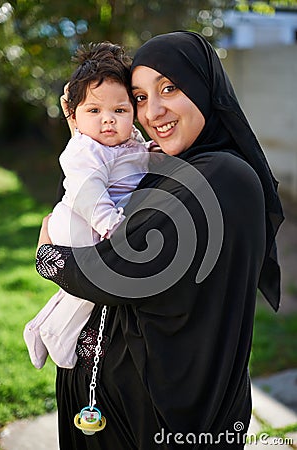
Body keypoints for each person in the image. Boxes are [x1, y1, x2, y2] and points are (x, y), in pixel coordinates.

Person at [35, 31, 284, 449]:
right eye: (140, 97)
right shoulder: (175, 167)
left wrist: (49, 257)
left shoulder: (220, 175)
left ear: (204, 87)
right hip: (119, 402)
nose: (154, 110)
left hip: (159, 417)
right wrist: (84, 123)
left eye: (169, 87)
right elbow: (99, 177)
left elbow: (116, 270)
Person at [24, 42, 150, 369]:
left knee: (86, 290)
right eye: (94, 111)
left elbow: (138, 161)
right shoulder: (85, 149)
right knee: (89, 286)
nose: (107, 120)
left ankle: (42, 328)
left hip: (92, 221)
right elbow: (86, 190)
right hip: (78, 220)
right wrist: (110, 224)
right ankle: (58, 337)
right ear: (74, 117)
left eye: (119, 111)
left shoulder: (131, 142)